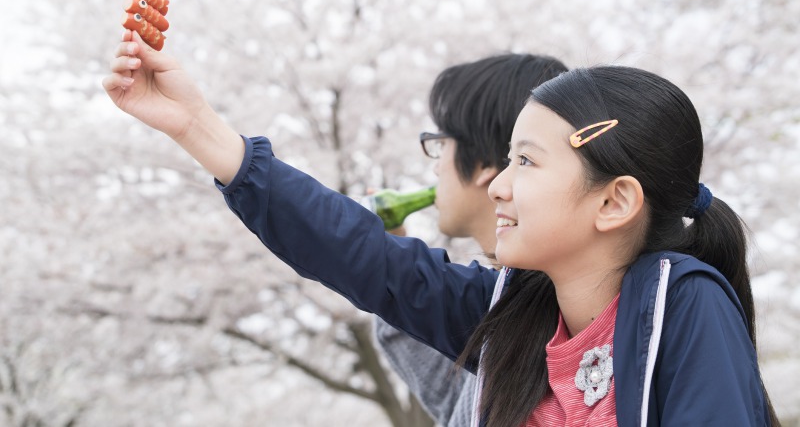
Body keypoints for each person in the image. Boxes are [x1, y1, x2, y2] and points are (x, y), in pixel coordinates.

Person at [105, 30, 780, 426]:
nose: (500, 184)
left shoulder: (683, 304)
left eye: (526, 162)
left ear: (614, 202)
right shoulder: (508, 314)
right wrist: (195, 125)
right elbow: (358, 252)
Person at [374, 53, 567, 426]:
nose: (435, 164)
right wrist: (394, 260)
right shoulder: (505, 298)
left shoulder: (557, 308)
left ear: (481, 163)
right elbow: (457, 400)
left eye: (439, 144)